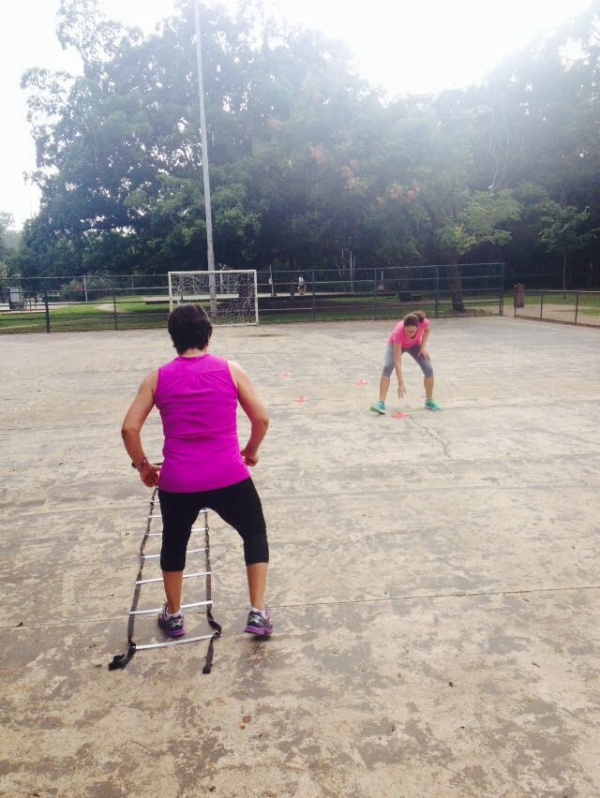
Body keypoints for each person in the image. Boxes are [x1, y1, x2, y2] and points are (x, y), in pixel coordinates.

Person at [121, 303, 273, 638]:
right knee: (254, 533)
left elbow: (129, 429)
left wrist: (144, 467)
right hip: (228, 475)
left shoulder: (157, 378)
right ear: (209, 334)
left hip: (178, 481)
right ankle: (258, 613)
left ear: (173, 338)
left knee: (174, 543)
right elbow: (261, 419)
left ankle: (174, 615)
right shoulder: (230, 370)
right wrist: (250, 452)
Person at [370, 310, 442, 414]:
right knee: (387, 367)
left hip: (414, 345)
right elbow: (397, 361)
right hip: (396, 345)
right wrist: (401, 383)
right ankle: (380, 403)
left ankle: (429, 401)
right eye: (407, 331)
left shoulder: (424, 322)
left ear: (418, 326)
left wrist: (423, 347)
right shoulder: (398, 332)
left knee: (429, 368)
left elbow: (427, 330)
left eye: (412, 332)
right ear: (404, 327)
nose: (409, 334)